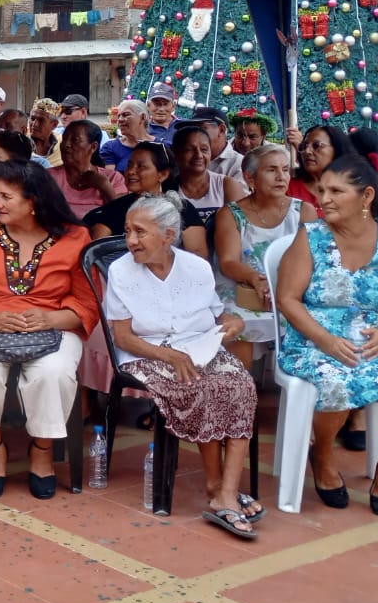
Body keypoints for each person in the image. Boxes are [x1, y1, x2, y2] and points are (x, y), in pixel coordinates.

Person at [277, 156, 378, 515]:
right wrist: (326, 340)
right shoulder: (310, 237)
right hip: (313, 342)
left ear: (366, 196)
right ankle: (323, 456)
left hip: (376, 344)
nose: (323, 199)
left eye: (336, 191)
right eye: (321, 190)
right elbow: (287, 299)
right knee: (335, 383)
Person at [0, 159, 97, 500]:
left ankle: (41, 451)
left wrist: (49, 319)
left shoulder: (75, 237)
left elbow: (87, 303)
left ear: (33, 201)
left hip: (53, 323)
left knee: (54, 372)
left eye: (5, 197)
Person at [104, 196, 261, 538]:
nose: (131, 240)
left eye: (140, 232)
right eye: (128, 231)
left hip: (198, 346)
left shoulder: (196, 268)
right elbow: (124, 337)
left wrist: (232, 323)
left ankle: (226, 490)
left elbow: (218, 315)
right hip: (148, 353)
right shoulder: (121, 271)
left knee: (240, 385)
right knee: (200, 386)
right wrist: (169, 356)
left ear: (168, 235)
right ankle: (218, 489)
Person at [211, 143, 313, 366]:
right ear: (249, 178)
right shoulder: (230, 213)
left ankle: (290, 381)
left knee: (310, 314)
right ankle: (241, 384)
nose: (281, 177)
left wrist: (283, 285)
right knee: (235, 321)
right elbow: (228, 262)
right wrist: (256, 278)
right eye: (271, 170)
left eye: (285, 170)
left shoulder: (304, 210)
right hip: (242, 286)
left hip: (291, 286)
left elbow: (312, 259)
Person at [84, 142, 211, 261]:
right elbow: (100, 256)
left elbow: (198, 256)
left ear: (163, 175)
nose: (131, 171)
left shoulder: (182, 209)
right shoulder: (113, 210)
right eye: (129, 165)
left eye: (141, 166)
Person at [167, 123, 247, 223]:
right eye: (189, 149)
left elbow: (239, 226)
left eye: (204, 149)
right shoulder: (166, 188)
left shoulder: (227, 185)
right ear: (175, 152)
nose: (199, 155)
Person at [50, 119, 125, 217]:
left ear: (93, 147)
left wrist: (105, 186)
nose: (66, 144)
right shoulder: (48, 177)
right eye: (64, 139)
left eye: (75, 140)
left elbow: (120, 215)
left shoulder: (113, 178)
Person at [288, 124, 352, 209]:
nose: (307, 151)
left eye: (316, 145)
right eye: (304, 146)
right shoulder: (288, 188)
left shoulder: (352, 190)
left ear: (336, 149)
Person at [191, 105, 244, 181]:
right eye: (192, 129)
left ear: (222, 130)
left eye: (201, 129)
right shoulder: (186, 156)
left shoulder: (238, 164)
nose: (194, 135)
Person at [100, 100, 152, 172]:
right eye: (119, 116)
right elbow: (109, 177)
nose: (120, 120)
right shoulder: (111, 147)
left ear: (143, 117)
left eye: (126, 115)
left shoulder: (162, 146)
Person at [28, 98, 62, 165]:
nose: (35, 124)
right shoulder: (20, 140)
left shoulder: (62, 143)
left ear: (54, 125)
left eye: (41, 120)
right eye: (32, 119)